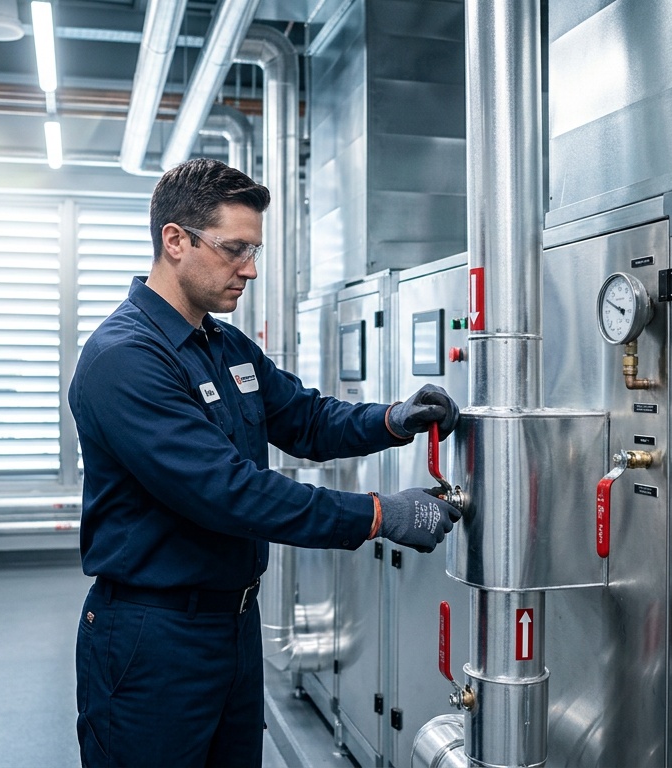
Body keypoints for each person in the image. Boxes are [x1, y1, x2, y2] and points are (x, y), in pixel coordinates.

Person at [67, 158, 462, 767]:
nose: (249, 269)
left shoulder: (223, 344)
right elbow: (229, 492)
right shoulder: (124, 358)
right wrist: (379, 515)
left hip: (233, 626)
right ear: (175, 241)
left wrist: (391, 419)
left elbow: (304, 418)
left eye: (253, 250)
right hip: (153, 640)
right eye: (234, 249)